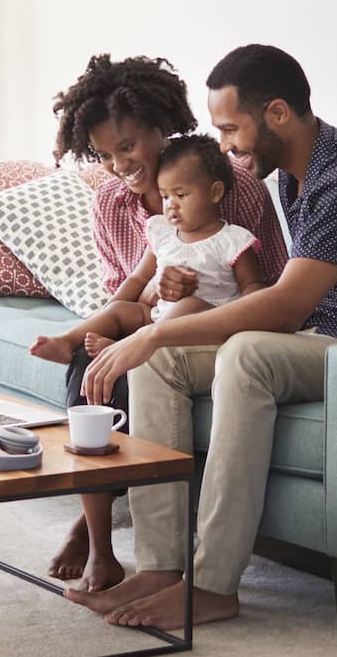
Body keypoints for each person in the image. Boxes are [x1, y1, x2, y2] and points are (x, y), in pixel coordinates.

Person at [71, 44, 337, 630]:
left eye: (231, 128)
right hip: (330, 337)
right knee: (160, 364)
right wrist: (156, 334)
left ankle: (212, 587)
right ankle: (161, 567)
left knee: (245, 353)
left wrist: (150, 335)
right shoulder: (296, 178)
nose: (225, 146)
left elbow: (282, 307)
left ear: (277, 113)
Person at [45, 54, 289, 592]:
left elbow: (265, 287)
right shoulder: (110, 199)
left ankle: (123, 544)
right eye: (106, 155)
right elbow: (124, 292)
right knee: (91, 363)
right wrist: (154, 297)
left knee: (134, 362)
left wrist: (179, 302)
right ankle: (98, 541)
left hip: (216, 324)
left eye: (128, 147)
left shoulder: (233, 187)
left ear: (161, 127)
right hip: (147, 318)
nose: (119, 166)